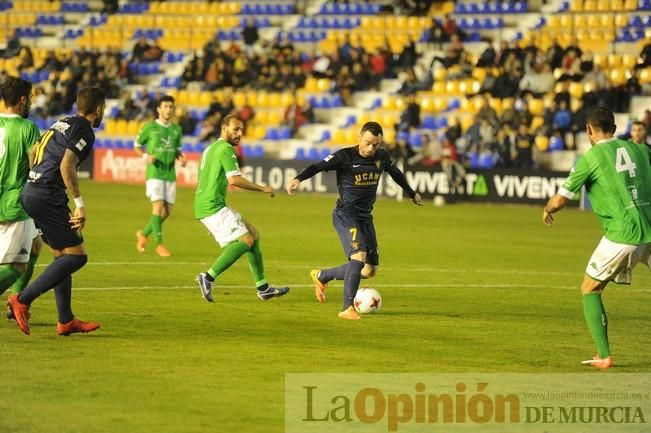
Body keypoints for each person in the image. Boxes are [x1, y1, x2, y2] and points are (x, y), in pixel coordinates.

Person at [542, 106, 651, 369]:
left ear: (589, 130)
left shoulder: (590, 159)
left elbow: (560, 200)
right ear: (614, 127)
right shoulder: (642, 150)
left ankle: (604, 355)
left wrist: (547, 209)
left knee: (590, 288)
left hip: (623, 234)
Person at [286, 122, 423, 320]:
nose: (371, 149)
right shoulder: (344, 156)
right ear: (359, 137)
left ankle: (322, 276)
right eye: (367, 143)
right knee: (358, 256)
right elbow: (318, 166)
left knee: (369, 270)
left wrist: (411, 193)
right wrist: (298, 179)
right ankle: (346, 308)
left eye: (375, 145)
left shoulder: (381, 156)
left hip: (365, 217)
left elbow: (395, 173)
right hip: (345, 214)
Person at [6, 86, 106, 336]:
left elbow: (33, 152)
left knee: (62, 256)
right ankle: (23, 298)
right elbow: (67, 166)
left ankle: (65, 320)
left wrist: (37, 178)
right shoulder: (84, 129)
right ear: (99, 109)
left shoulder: (61, 122)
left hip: (32, 191)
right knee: (77, 257)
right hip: (47, 194)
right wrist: (80, 204)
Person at [194, 115, 289, 303]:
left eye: (241, 130)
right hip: (212, 206)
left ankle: (263, 288)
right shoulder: (226, 149)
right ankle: (208, 277)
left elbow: (204, 180)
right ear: (224, 128)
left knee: (253, 233)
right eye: (235, 129)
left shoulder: (210, 149)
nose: (239, 133)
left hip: (208, 204)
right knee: (246, 240)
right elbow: (234, 180)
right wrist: (263, 188)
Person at [0, 76, 42, 314]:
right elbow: (35, 165)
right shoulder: (28, 128)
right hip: (15, 202)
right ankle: (17, 301)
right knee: (17, 265)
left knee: (35, 246)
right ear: (23, 100)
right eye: (31, 98)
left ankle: (16, 303)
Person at [134, 95, 186, 257]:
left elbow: (177, 150)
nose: (168, 109)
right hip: (155, 171)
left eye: (171, 106)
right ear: (158, 109)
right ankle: (159, 245)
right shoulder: (149, 127)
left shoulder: (177, 129)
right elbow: (136, 146)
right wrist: (145, 157)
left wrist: (181, 157)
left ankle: (143, 234)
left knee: (167, 211)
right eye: (165, 106)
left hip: (170, 173)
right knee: (157, 207)